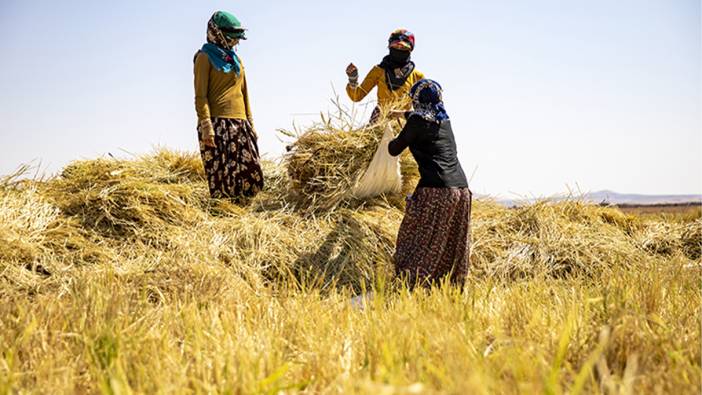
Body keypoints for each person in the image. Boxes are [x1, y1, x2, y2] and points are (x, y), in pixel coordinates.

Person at [388, 79, 472, 287]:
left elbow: (393, 149)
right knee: (450, 241)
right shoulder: (444, 121)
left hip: (437, 192)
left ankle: (412, 283)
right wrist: (402, 115)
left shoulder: (417, 122)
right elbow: (424, 118)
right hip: (461, 191)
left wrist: (384, 136)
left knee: (416, 238)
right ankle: (445, 287)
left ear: (416, 100)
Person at [194, 11, 264, 200]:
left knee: (252, 175)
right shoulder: (204, 58)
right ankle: (225, 215)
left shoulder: (236, 61)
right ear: (216, 32)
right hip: (217, 125)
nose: (235, 42)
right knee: (223, 180)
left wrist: (251, 124)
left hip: (240, 124)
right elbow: (200, 96)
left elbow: (245, 93)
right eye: (231, 37)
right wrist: (207, 126)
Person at [345, 29, 425, 124]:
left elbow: (424, 107)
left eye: (403, 48)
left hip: (404, 126)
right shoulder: (378, 71)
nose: (399, 50)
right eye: (396, 46)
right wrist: (353, 79)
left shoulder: (417, 76)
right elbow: (357, 96)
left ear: (410, 50)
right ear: (390, 46)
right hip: (380, 121)